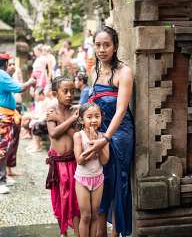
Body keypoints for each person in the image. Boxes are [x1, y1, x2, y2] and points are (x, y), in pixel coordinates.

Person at [82, 26, 135, 236]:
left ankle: (117, 234)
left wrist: (106, 138)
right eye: (98, 45)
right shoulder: (93, 72)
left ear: (115, 47)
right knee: (99, 181)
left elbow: (121, 110)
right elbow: (90, 106)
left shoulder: (124, 72)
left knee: (117, 182)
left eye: (107, 45)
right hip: (98, 132)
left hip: (119, 134)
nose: (102, 49)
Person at [45, 76, 80, 237]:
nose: (69, 95)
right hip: (58, 163)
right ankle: (63, 231)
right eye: (65, 91)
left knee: (74, 198)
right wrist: (68, 120)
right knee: (60, 198)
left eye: (72, 91)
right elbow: (53, 132)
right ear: (55, 93)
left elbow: (77, 136)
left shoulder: (75, 112)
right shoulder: (51, 111)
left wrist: (63, 119)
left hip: (73, 161)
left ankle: (78, 231)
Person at [0, 53, 36, 194]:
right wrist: (31, 81)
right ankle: (0, 179)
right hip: (3, 117)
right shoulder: (2, 74)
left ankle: (4, 176)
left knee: (6, 146)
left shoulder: (3, 75)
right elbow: (20, 88)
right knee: (2, 148)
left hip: (7, 116)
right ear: (5, 63)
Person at [73, 102, 109, 237]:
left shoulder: (104, 137)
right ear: (82, 120)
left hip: (98, 179)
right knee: (86, 215)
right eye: (89, 117)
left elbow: (105, 161)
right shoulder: (78, 136)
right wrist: (91, 146)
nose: (94, 120)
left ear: (101, 118)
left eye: (97, 116)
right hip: (82, 180)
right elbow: (80, 160)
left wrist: (98, 146)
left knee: (95, 215)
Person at [6, 58, 22, 177]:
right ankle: (4, 172)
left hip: (16, 110)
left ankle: (10, 169)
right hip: (7, 113)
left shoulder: (15, 78)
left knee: (15, 140)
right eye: (10, 64)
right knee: (7, 141)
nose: (12, 66)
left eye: (13, 64)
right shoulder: (3, 79)